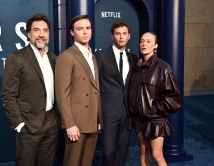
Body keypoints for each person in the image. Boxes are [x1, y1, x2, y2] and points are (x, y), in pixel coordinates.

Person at [1, 13, 60, 166]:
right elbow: (8, 96)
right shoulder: (16, 58)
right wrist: (20, 125)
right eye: (36, 30)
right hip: (28, 125)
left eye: (45, 30)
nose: (41, 35)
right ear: (28, 33)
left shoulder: (54, 59)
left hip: (51, 123)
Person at [55, 14, 103, 166]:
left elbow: (96, 91)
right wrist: (69, 124)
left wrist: (99, 118)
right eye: (80, 29)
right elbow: (62, 94)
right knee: (72, 162)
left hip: (92, 120)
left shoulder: (93, 56)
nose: (85, 32)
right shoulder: (66, 56)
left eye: (87, 28)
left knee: (86, 162)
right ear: (72, 32)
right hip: (76, 122)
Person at [129, 32, 182, 166]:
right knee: (143, 151)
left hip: (155, 120)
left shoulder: (163, 68)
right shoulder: (137, 66)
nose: (144, 44)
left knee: (157, 155)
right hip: (139, 119)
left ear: (155, 45)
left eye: (148, 41)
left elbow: (174, 99)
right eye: (142, 41)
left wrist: (155, 109)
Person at [94, 21, 137, 166]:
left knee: (122, 149)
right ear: (112, 36)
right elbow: (94, 85)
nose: (121, 37)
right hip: (108, 110)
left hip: (126, 111)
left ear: (129, 36)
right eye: (118, 34)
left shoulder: (133, 58)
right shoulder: (101, 56)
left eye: (124, 34)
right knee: (107, 150)